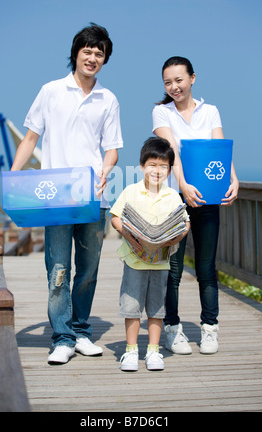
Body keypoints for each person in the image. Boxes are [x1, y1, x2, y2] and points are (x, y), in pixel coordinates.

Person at [11, 23, 123, 364]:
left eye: (99, 53)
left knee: (87, 270)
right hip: (55, 196)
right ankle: (62, 337)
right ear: (75, 53)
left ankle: (82, 332)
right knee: (58, 268)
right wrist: (14, 177)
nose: (92, 57)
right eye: (87, 51)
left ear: (104, 60)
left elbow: (112, 147)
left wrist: (106, 168)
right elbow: (30, 138)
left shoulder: (109, 99)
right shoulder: (50, 91)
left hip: (93, 196)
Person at [152, 56, 239, 355]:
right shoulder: (161, 112)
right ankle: (172, 329)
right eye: (168, 82)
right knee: (173, 270)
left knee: (206, 267)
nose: (174, 86)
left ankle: (210, 328)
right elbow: (171, 150)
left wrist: (234, 179)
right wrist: (184, 185)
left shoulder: (210, 111)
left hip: (207, 199)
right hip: (174, 199)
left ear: (192, 78)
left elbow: (220, 149)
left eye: (179, 80)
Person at [110, 137, 190, 371]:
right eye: (152, 165)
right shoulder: (130, 191)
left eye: (163, 166)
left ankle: (153, 352)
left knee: (157, 308)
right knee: (132, 307)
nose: (157, 170)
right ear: (142, 165)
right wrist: (130, 237)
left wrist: (174, 239)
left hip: (161, 262)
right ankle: (131, 351)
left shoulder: (173, 195)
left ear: (169, 169)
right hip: (134, 260)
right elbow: (115, 217)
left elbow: (185, 224)